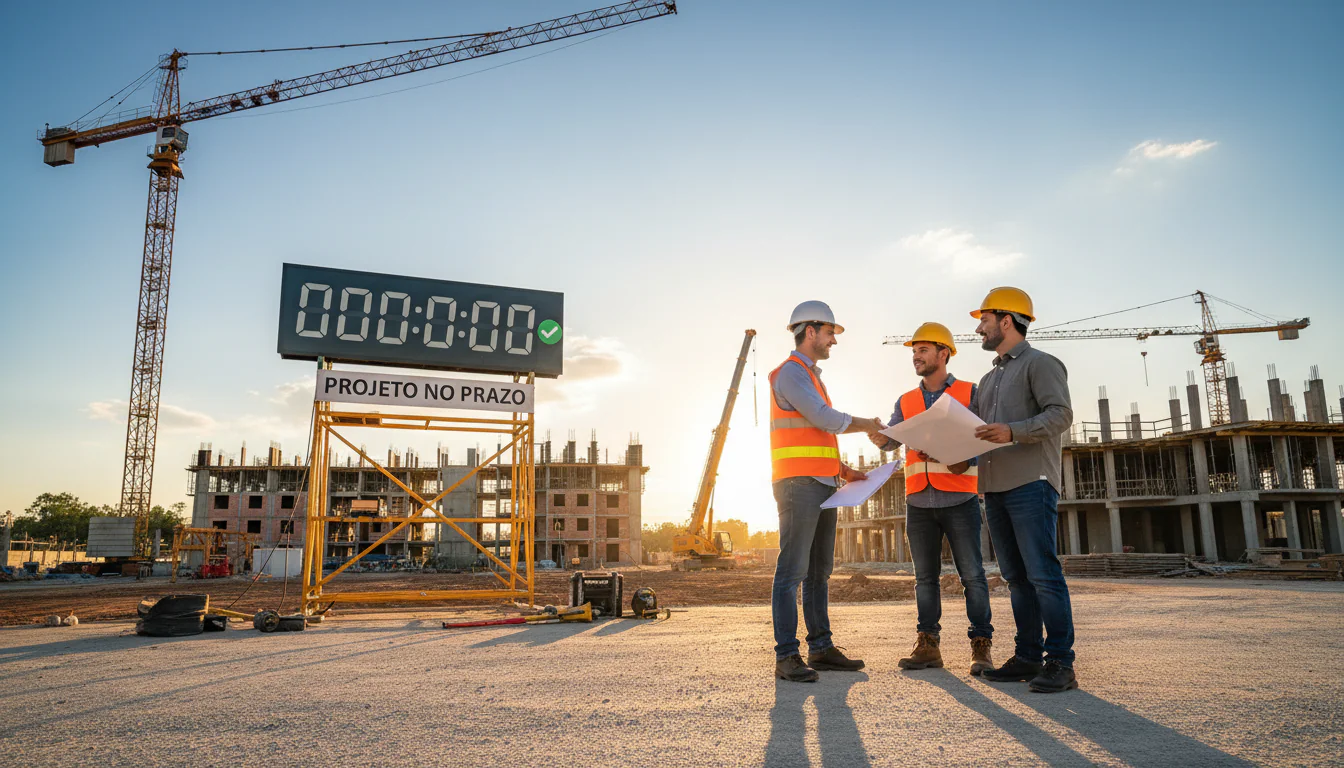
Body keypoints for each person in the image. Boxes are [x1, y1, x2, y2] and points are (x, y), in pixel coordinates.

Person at [969, 287, 1078, 693]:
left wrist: (1013, 431)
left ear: (1006, 320)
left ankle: (1060, 662)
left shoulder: (1041, 364)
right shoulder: (987, 379)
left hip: (1031, 483)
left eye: (984, 320)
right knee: (1016, 578)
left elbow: (1060, 415)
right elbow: (979, 433)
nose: (978, 329)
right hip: (994, 487)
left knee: (1043, 574)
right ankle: (1028, 656)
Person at [869, 322, 994, 675]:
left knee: (973, 576)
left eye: (922, 350)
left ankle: (981, 646)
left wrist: (955, 456)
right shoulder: (906, 400)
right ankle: (927, 645)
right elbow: (893, 438)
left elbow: (984, 440)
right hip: (919, 502)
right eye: (914, 352)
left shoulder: (970, 392)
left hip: (960, 498)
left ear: (944, 353)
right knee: (924, 579)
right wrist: (881, 437)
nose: (916, 357)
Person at [770, 300, 884, 682]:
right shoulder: (790, 373)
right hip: (798, 485)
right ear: (810, 331)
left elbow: (816, 437)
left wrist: (845, 471)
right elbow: (824, 419)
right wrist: (868, 424)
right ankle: (787, 655)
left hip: (822, 483)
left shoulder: (811, 376)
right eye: (831, 332)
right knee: (792, 571)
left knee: (819, 572)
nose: (834, 340)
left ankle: (820, 648)